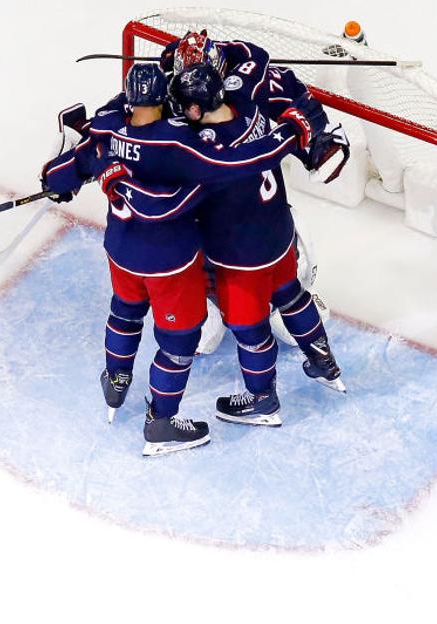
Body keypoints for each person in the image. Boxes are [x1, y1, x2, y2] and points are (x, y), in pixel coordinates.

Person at [40, 64, 320, 456]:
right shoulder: (179, 145)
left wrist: (59, 182)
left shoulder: (106, 127)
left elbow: (63, 171)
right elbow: (238, 165)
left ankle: (117, 376)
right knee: (179, 341)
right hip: (170, 263)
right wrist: (292, 132)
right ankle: (161, 424)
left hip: (121, 253)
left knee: (124, 312)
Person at [167, 33, 349, 427]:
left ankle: (262, 400)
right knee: (291, 294)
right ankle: (325, 361)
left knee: (249, 328)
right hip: (280, 237)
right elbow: (255, 62)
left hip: (238, 256)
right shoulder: (252, 108)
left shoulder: (203, 149)